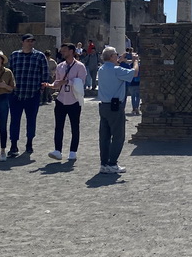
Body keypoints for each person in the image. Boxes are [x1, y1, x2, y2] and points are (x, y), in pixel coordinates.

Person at [6, 34, 50, 157]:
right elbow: (9, 73)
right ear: (22, 42)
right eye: (28, 41)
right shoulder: (14, 55)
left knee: (31, 120)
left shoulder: (39, 56)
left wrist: (41, 88)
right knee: (14, 121)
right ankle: (13, 145)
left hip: (32, 94)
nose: (30, 43)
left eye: (32, 41)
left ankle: (29, 143)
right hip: (16, 95)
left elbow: (45, 73)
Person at [97, 46, 138, 174]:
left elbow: (112, 67)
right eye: (116, 54)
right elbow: (134, 73)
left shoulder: (101, 69)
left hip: (103, 105)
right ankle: (112, 163)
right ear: (112, 56)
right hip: (115, 107)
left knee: (104, 136)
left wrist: (119, 60)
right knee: (118, 136)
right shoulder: (117, 70)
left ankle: (104, 163)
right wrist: (135, 60)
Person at [48, 43, 88, 161]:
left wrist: (67, 82)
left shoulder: (80, 66)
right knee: (58, 126)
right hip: (61, 100)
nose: (62, 52)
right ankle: (57, 150)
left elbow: (81, 83)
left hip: (74, 101)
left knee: (75, 127)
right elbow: (57, 83)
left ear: (71, 51)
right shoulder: (60, 66)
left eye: (64, 50)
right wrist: (50, 85)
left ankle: (73, 151)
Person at [119, 48, 142, 115]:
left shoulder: (125, 65)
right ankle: (136, 107)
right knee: (137, 96)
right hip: (137, 81)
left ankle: (134, 108)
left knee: (133, 96)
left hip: (130, 82)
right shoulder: (137, 65)